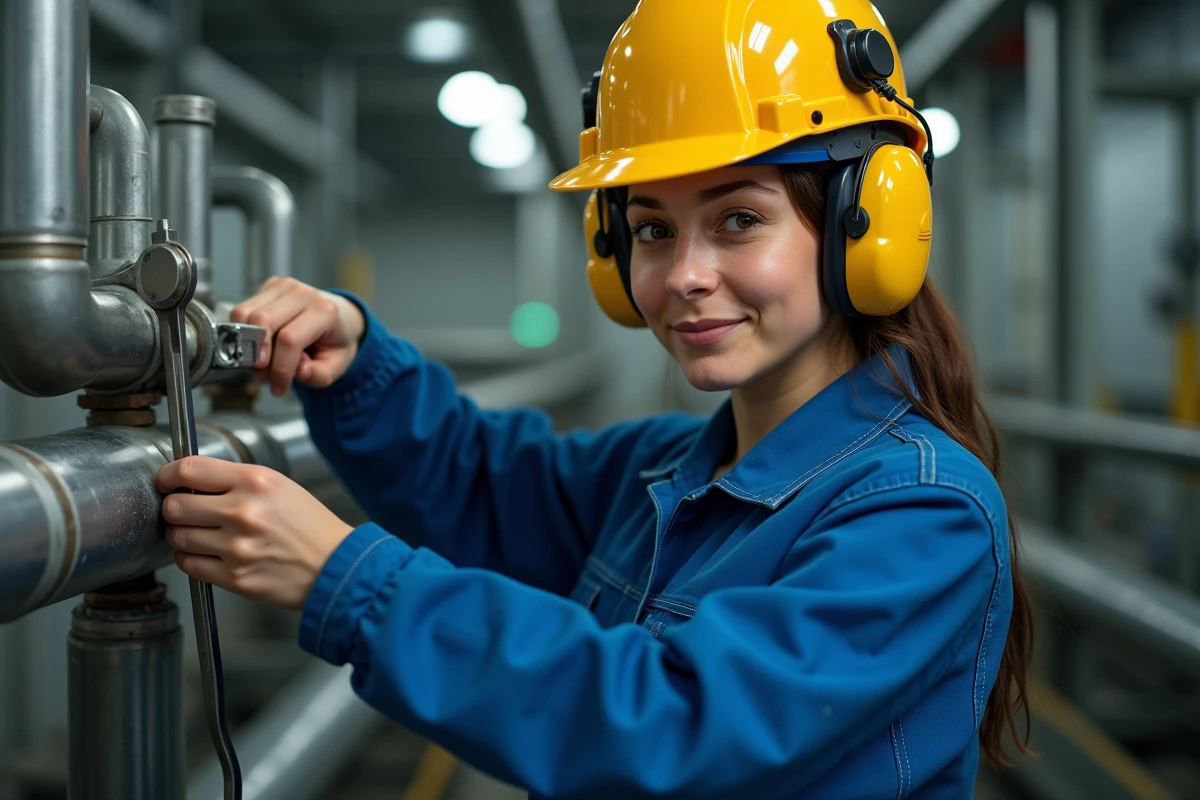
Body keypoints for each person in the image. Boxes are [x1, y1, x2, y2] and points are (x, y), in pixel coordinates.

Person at [157, 1, 1033, 796]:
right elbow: (480, 483)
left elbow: (679, 727)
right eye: (652, 229)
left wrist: (349, 584)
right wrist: (355, 361)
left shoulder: (921, 512)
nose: (684, 276)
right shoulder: (662, 469)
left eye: (738, 219)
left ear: (867, 224)